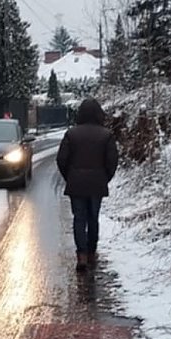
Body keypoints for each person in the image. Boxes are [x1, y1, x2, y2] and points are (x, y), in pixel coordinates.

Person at [56, 98, 119, 273]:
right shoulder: (106, 135)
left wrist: (70, 176)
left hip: (76, 183)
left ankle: (81, 255)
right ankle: (92, 252)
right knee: (93, 218)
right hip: (97, 183)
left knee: (79, 218)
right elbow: (112, 160)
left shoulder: (71, 134)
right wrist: (105, 177)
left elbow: (61, 159)